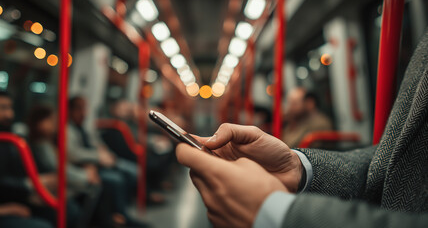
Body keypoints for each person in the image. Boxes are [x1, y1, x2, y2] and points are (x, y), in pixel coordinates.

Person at [175, 31, 428, 227]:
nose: (287, 106)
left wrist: (277, 214)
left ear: (309, 103)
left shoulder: (319, 127)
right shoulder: (294, 124)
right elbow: (391, 163)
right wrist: (296, 165)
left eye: (293, 103)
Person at [67, 96, 147, 227]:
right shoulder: (68, 130)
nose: (83, 113)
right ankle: (120, 216)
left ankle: (119, 212)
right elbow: (74, 154)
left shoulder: (83, 128)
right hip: (89, 166)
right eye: (79, 109)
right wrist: (98, 157)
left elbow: (96, 143)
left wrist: (105, 153)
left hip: (98, 163)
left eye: (84, 108)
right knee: (116, 179)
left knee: (132, 171)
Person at [0, 92, 74, 227]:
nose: (9, 114)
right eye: (3, 108)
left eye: (10, 108)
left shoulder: (14, 139)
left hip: (17, 195)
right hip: (7, 203)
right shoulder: (13, 141)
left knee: (67, 210)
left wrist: (35, 188)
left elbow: (25, 168)